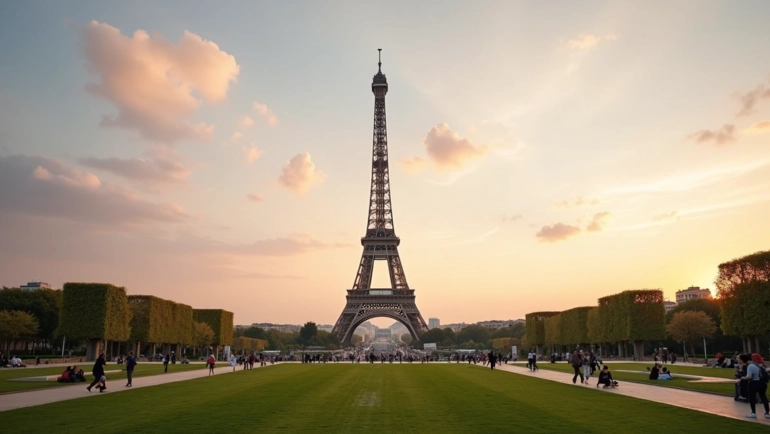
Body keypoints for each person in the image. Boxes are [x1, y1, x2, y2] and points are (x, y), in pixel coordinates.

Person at [738, 353, 769, 419]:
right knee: (763, 397)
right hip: (763, 383)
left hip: (753, 383)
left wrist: (742, 378)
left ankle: (753, 412)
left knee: (752, 398)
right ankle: (767, 413)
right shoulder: (762, 365)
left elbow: (749, 377)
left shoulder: (751, 366)